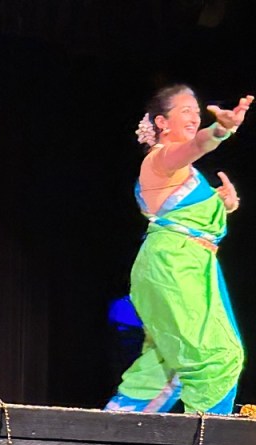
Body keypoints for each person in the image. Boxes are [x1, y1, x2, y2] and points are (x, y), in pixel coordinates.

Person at [105, 86, 253, 414]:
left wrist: (224, 204)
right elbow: (198, 144)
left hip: (185, 264)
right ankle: (210, 441)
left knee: (163, 368)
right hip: (174, 265)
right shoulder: (161, 159)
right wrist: (220, 129)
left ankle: (109, 434)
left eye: (197, 112)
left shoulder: (182, 172)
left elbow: (186, 215)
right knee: (217, 359)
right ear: (162, 122)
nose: (195, 117)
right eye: (186, 110)